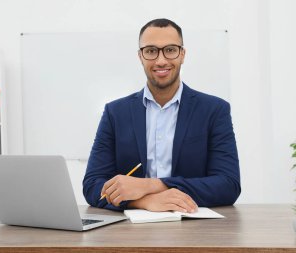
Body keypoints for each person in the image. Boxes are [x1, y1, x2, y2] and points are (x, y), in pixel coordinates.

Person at [83, 18, 241, 212]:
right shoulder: (115, 113)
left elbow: (228, 185)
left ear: (182, 54)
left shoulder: (215, 110)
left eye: (170, 50)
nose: (161, 60)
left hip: (195, 228)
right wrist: (142, 202)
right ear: (140, 56)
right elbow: (92, 185)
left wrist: (151, 185)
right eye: (150, 51)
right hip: (130, 231)